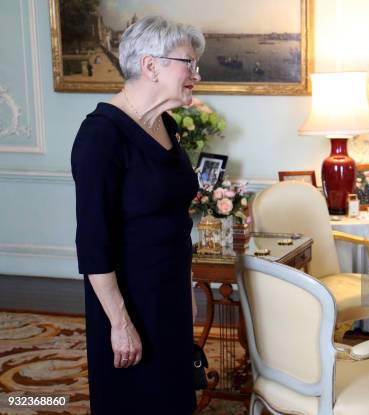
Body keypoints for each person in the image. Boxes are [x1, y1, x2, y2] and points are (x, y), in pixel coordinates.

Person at [71, 16, 204, 415]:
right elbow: (93, 242)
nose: (196, 75)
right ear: (151, 66)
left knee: (175, 399)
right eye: (189, 64)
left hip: (169, 294)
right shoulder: (100, 135)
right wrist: (120, 323)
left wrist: (187, 286)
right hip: (128, 303)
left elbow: (174, 220)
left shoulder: (165, 123)